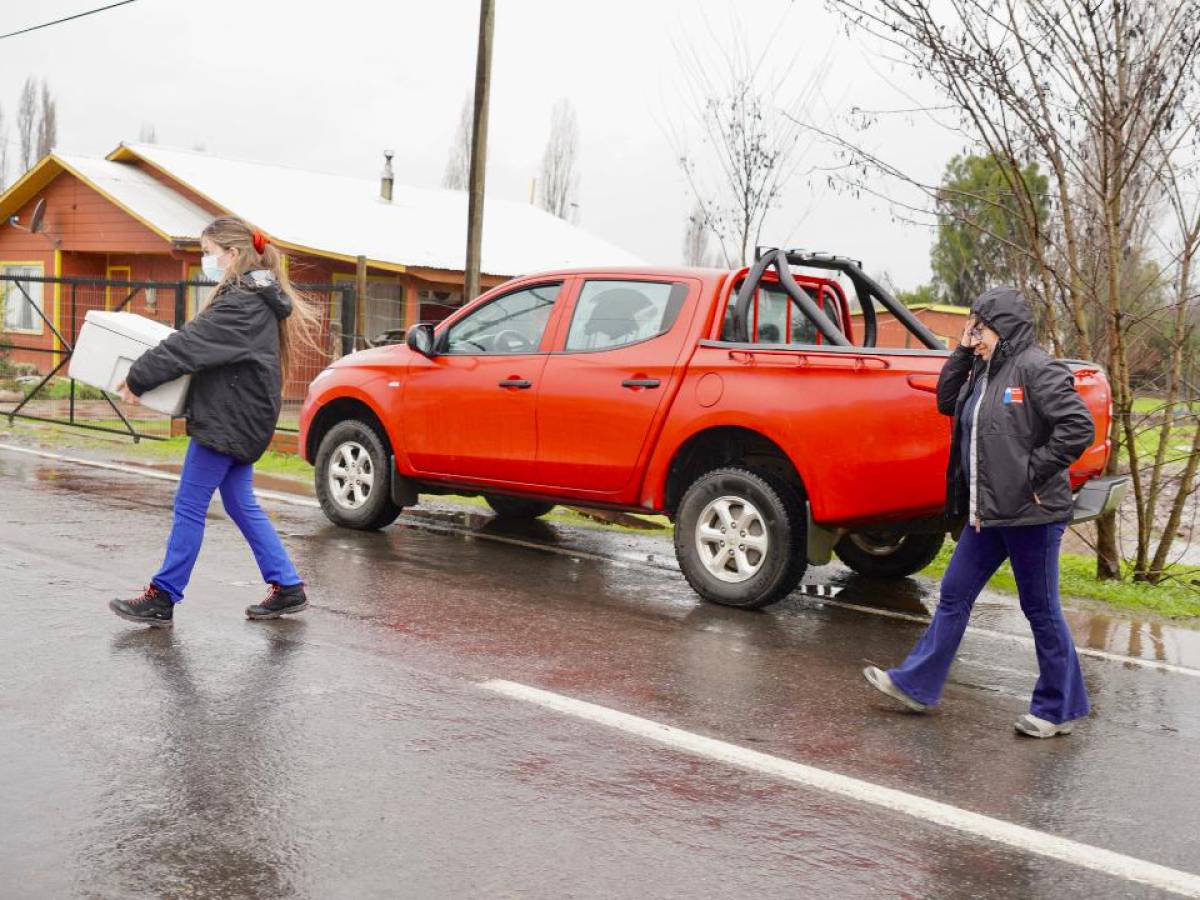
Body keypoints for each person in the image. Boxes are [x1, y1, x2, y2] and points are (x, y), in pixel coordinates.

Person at [863, 286, 1095, 738]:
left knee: (1040, 610)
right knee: (953, 595)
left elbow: (1077, 427)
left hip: (1032, 514)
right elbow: (946, 401)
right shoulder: (983, 370)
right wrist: (965, 351)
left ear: (1004, 328)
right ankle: (916, 685)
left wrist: (1032, 472)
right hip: (987, 513)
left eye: (980, 327)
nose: (975, 334)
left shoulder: (1036, 369)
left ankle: (1056, 709)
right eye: (973, 327)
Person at [108, 216, 319, 627]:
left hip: (229, 418)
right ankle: (287, 586)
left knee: (189, 506)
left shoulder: (241, 303)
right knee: (241, 503)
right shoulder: (256, 297)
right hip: (241, 414)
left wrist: (138, 377)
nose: (207, 261)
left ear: (233, 253)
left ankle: (162, 596)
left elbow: (189, 345)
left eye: (209, 253)